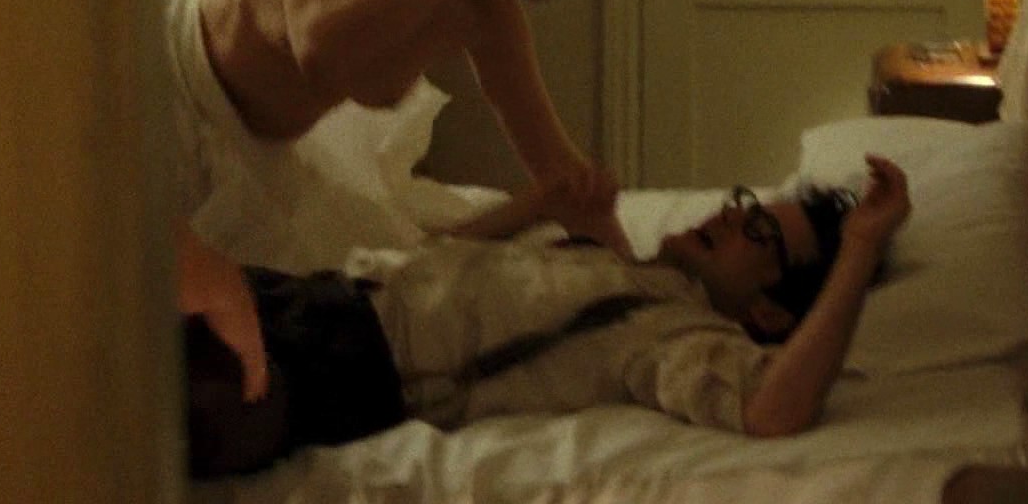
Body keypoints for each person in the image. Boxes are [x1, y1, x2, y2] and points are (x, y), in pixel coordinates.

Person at [170, 0, 621, 400]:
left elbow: (564, 172)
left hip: (262, 150)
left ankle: (528, 216)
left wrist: (648, 281)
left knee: (379, 285)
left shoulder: (482, 1)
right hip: (168, 86)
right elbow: (322, 46)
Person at [180, 156, 913, 478]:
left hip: (340, 368)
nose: (729, 214)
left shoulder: (671, 331)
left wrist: (858, 251)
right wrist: (534, 207)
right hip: (314, 297)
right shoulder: (621, 268)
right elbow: (430, 264)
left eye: (757, 233)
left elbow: (771, 409)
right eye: (744, 204)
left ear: (767, 309)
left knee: (150, 407)